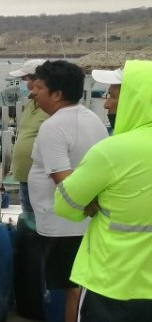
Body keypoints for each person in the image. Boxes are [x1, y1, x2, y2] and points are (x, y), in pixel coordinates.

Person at [55, 59, 152, 321]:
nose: (107, 103)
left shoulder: (112, 151)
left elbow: (64, 202)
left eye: (113, 95)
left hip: (111, 283)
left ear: (137, 100)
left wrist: (90, 203)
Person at [28, 60, 109, 322]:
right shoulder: (92, 118)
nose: (33, 92)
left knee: (70, 288)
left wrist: (86, 205)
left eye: (39, 87)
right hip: (80, 224)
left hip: (61, 224)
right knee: (78, 285)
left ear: (57, 94)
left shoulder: (53, 126)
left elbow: (63, 178)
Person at [8, 59, 50, 215]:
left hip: (39, 178)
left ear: (37, 80)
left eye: (24, 79)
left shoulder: (49, 108)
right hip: (24, 176)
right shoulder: (30, 104)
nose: (24, 84)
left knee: (37, 219)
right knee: (28, 218)